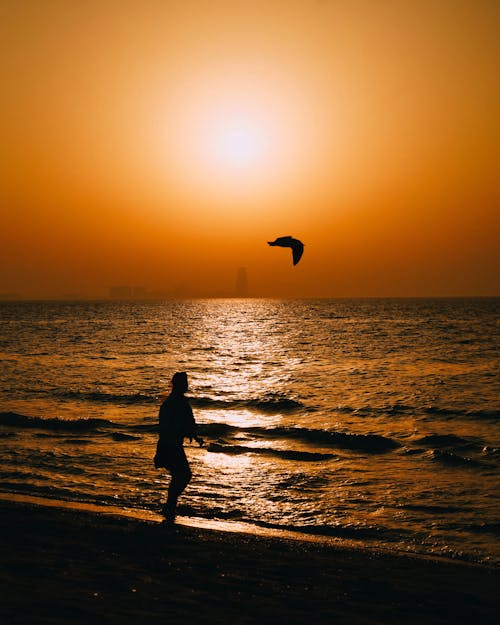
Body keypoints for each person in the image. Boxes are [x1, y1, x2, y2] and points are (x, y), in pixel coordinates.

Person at [154, 371, 204, 523]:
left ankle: (170, 505)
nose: (187, 385)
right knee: (183, 475)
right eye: (185, 382)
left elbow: (183, 423)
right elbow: (181, 424)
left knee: (179, 475)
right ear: (179, 384)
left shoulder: (171, 402)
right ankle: (170, 505)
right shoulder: (177, 402)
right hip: (171, 445)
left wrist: (193, 436)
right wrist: (192, 435)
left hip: (168, 444)